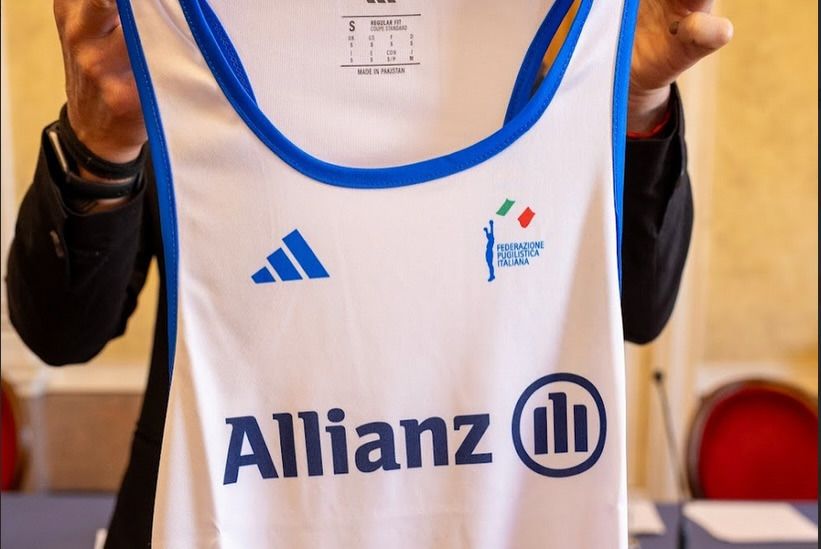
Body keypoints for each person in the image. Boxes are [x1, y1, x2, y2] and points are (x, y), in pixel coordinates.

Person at [5, 0, 732, 546]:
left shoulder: (552, 22)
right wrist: (99, 147)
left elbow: (640, 309)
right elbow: (60, 333)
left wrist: (628, 104)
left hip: (497, 511)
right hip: (223, 508)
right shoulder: (186, 26)